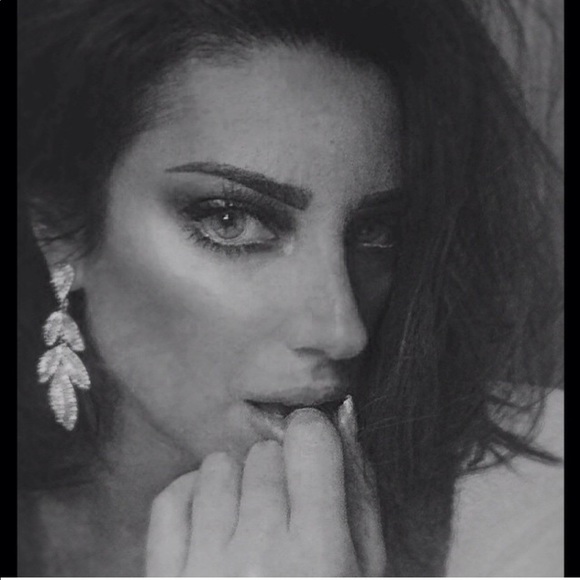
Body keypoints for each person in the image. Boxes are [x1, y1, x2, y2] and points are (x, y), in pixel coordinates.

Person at [17, 0, 563, 576]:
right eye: (230, 221)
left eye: (378, 232)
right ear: (60, 230)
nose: (343, 331)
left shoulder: (541, 512)